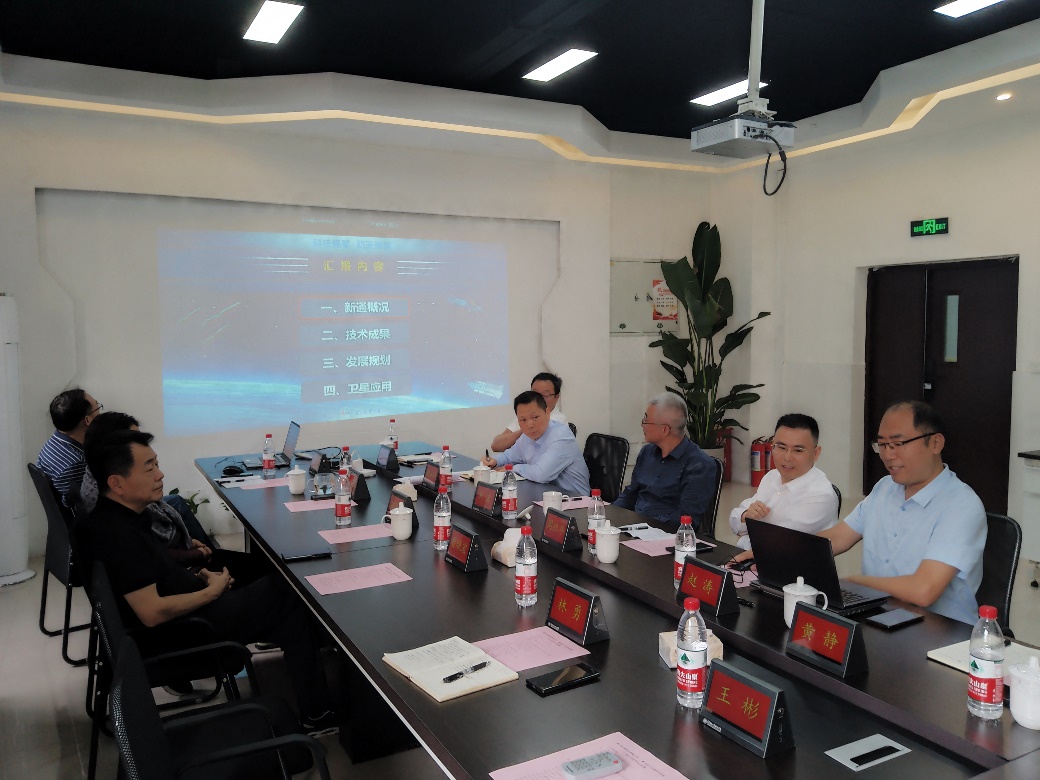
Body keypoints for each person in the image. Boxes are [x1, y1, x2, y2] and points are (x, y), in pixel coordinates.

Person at [83, 428, 337, 732]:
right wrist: (211, 592)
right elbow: (151, 612)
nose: (160, 474)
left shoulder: (122, 516)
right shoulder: (116, 536)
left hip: (187, 616)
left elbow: (158, 570)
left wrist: (200, 574)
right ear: (116, 483)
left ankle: (317, 710)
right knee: (289, 587)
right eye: (149, 468)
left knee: (289, 613)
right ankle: (328, 690)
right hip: (180, 635)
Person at [817, 401, 986, 625]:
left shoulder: (962, 505)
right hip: (878, 617)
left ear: (935, 443)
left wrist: (855, 584)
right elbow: (838, 538)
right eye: (882, 445)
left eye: (898, 444)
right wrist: (786, 550)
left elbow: (923, 590)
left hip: (940, 631)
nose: (888, 455)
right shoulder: (884, 487)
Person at [728, 413, 838, 550]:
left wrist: (743, 538)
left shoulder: (820, 495)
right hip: (755, 558)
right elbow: (735, 520)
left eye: (798, 450)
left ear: (816, 453)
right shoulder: (772, 476)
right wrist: (745, 516)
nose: (787, 457)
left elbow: (778, 546)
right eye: (781, 447)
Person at [612, 393, 716, 528]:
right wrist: (609, 515)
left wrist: (644, 527)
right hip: (635, 528)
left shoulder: (699, 465)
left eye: (646, 420)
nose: (642, 425)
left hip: (665, 534)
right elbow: (630, 494)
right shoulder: (646, 452)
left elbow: (685, 519)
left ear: (665, 430)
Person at [482, 390, 589, 495]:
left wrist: (514, 468)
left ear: (547, 413)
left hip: (574, 500)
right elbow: (509, 456)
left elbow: (541, 474)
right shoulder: (527, 436)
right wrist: (495, 461)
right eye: (523, 420)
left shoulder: (561, 436)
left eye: (535, 417)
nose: (530, 425)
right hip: (544, 495)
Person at [36, 388, 102, 507]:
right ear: (88, 420)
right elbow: (87, 503)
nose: (100, 412)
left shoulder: (56, 439)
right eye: (97, 407)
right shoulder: (75, 463)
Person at [491, 372, 568, 453]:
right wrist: (523, 429)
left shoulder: (559, 420)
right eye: (535, 394)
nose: (538, 398)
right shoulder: (525, 415)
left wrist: (524, 428)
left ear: (556, 398)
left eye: (545, 395)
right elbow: (496, 446)